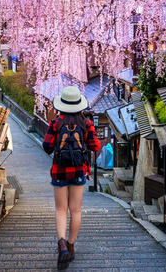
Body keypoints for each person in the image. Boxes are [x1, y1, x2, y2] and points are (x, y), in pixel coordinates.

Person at [43, 86, 101, 270]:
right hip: (78, 171)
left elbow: (47, 146)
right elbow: (95, 145)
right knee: (75, 210)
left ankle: (61, 246)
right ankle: (70, 246)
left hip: (59, 171)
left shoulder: (55, 124)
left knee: (61, 209)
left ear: (62, 106)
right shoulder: (86, 124)